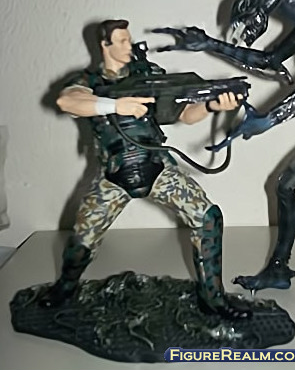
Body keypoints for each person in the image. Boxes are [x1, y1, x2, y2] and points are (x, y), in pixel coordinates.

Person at [39, 19, 250, 320]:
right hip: (114, 174)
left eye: (129, 40)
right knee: (83, 239)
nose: (128, 46)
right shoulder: (89, 81)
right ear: (105, 46)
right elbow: (67, 101)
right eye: (121, 41)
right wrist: (116, 106)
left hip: (157, 167)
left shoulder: (148, 75)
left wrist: (212, 106)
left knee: (207, 217)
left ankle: (212, 298)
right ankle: (65, 289)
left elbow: (184, 114)